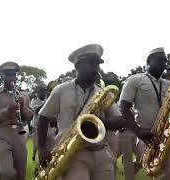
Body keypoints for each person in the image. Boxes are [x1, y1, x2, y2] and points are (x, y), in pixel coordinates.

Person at [38, 44, 125, 180]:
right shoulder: (60, 91)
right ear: (77, 66)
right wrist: (42, 148)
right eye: (91, 64)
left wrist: (102, 122)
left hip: (102, 153)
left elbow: (120, 121)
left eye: (97, 64)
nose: (96, 68)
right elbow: (43, 117)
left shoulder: (103, 93)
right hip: (72, 155)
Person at [119, 47, 170, 180]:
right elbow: (123, 106)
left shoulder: (168, 83)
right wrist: (137, 131)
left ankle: (142, 165)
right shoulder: (135, 80)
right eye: (160, 60)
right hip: (150, 136)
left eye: (165, 60)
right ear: (149, 61)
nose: (164, 63)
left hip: (169, 134)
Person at [0, 61, 33, 180]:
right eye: (8, 75)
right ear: (2, 76)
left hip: (20, 135)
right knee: (5, 173)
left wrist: (23, 108)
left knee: (21, 173)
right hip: (2, 134)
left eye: (13, 74)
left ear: (16, 76)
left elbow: (30, 116)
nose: (11, 77)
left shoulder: (24, 95)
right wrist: (7, 111)